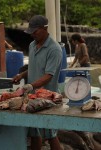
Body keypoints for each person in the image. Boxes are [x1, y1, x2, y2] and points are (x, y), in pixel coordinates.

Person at [12, 15, 63, 150]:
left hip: (47, 97)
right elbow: (33, 67)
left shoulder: (54, 49)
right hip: (31, 97)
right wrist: (21, 75)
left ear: (44, 28)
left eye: (35, 31)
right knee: (34, 132)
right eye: (31, 32)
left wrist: (31, 85)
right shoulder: (32, 45)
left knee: (50, 134)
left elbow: (48, 75)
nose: (32, 35)